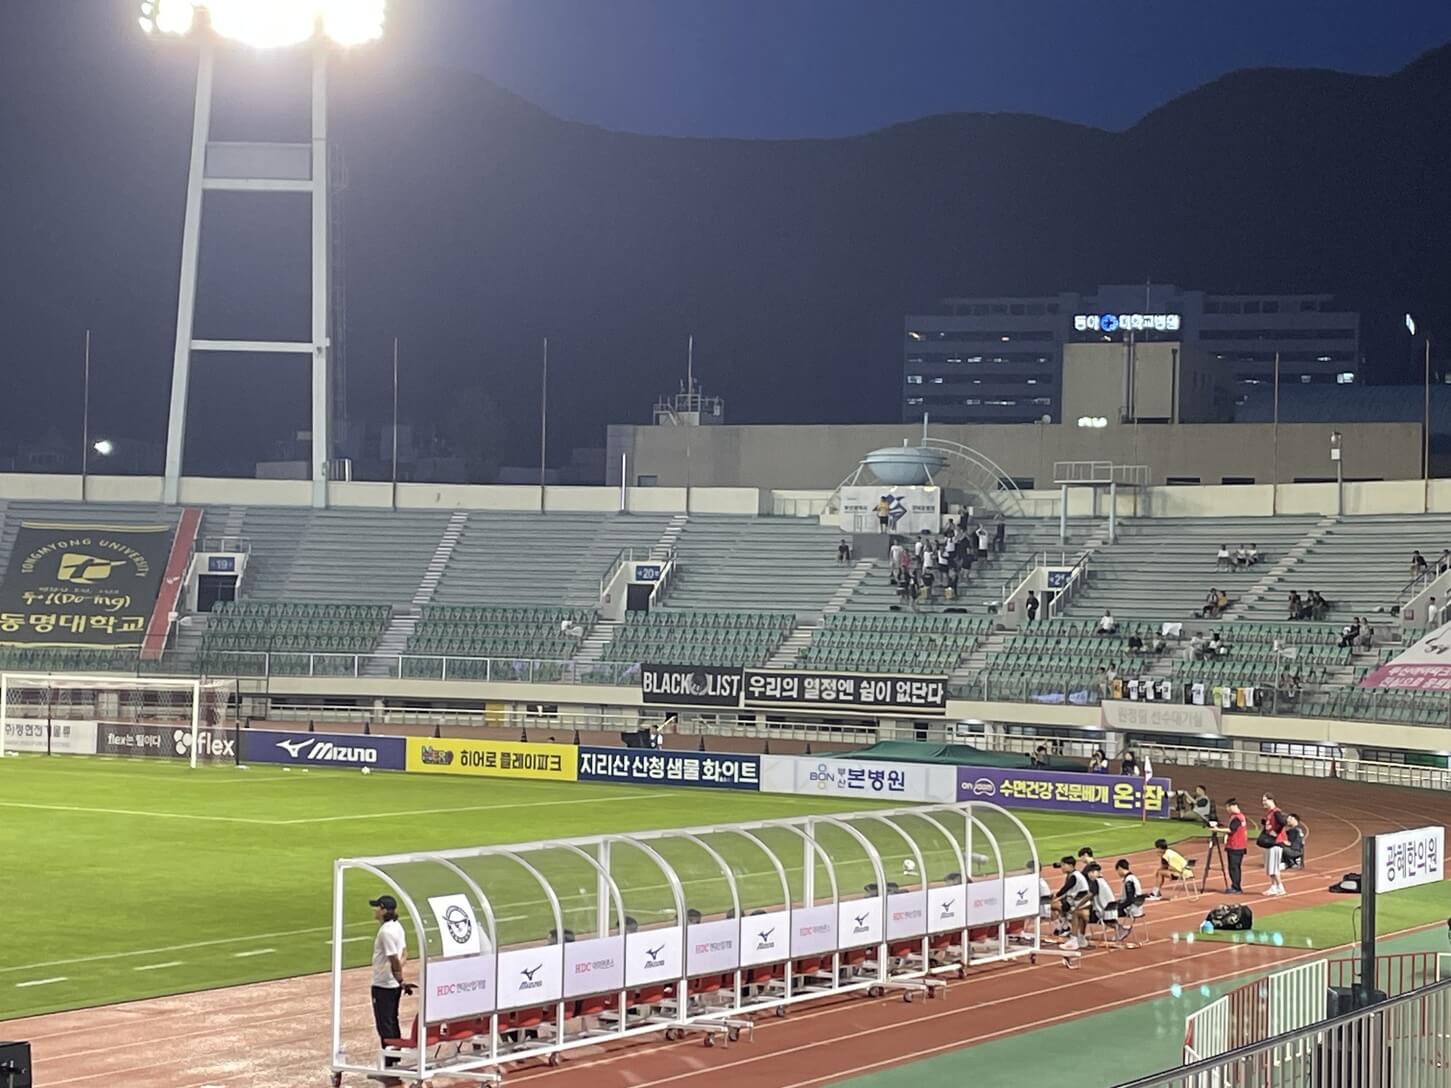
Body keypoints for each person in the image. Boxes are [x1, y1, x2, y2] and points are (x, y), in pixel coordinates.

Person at [369, 893, 413, 1086]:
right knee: (392, 1022)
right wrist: (399, 976)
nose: (374, 910)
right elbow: (405, 954)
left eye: (377, 907)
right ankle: (394, 1063)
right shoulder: (397, 927)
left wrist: (398, 976)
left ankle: (390, 1068)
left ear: (384, 910)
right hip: (391, 984)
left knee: (384, 1025)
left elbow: (394, 958)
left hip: (384, 984)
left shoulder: (386, 932)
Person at [1259, 793, 1289, 896]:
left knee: (1274, 867)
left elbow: (1282, 822)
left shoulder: (1276, 812)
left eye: (1264, 800)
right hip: (1269, 843)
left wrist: (1276, 832)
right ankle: (1273, 886)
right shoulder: (1269, 813)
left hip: (1275, 843)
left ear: (1271, 800)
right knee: (1270, 867)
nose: (1263, 802)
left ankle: (1280, 887)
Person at [1114, 858, 1146, 938]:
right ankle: (1120, 929)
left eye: (1117, 870)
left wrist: (1119, 906)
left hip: (1131, 908)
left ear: (1120, 868)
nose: (1117, 873)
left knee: (1108, 913)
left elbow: (1130, 899)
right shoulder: (1132, 878)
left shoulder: (1129, 880)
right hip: (1137, 907)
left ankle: (1121, 930)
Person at [1222, 797, 1249, 894]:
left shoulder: (1237, 817)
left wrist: (1217, 830)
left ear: (1233, 806)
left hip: (1235, 846)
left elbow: (1231, 830)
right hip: (1239, 846)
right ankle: (1235, 886)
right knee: (1235, 867)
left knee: (1234, 867)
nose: (1227, 810)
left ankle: (1236, 887)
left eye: (1228, 808)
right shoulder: (1241, 816)